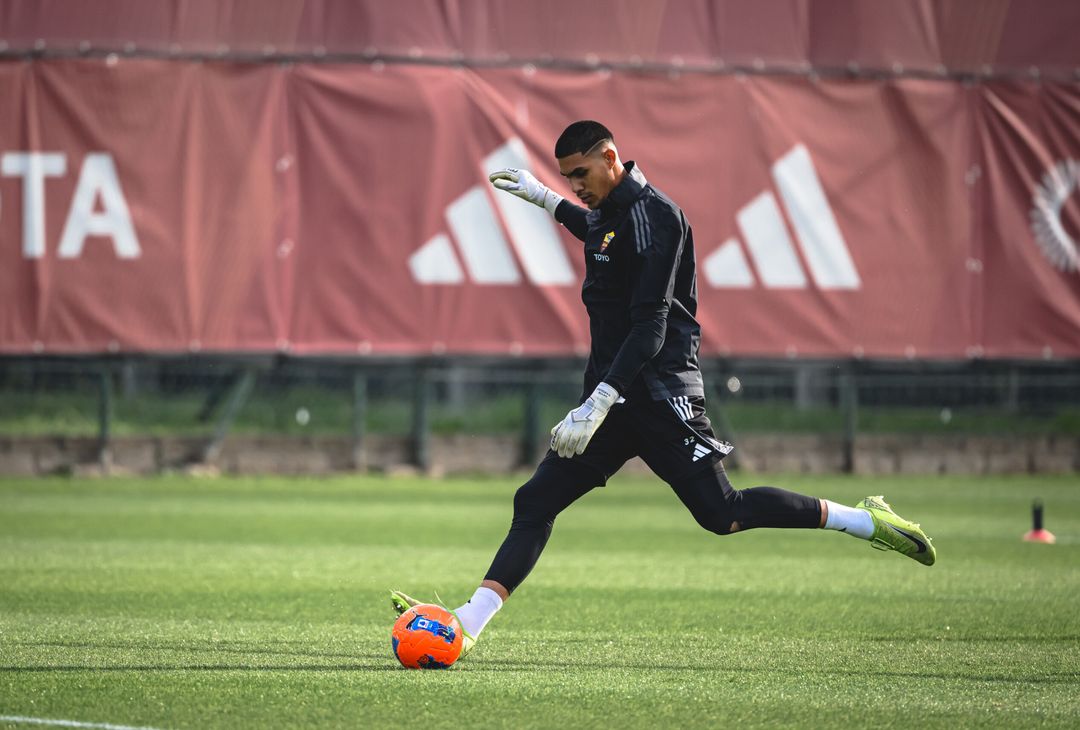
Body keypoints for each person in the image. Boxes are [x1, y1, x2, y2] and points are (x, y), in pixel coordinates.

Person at [391, 120, 935, 658]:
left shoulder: (659, 217)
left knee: (723, 514)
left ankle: (864, 520)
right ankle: (468, 623)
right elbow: (600, 236)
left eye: (581, 173)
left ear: (610, 158)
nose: (576, 185)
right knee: (536, 499)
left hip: (657, 392)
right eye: (566, 176)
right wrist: (545, 199)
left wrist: (598, 401)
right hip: (613, 394)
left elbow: (650, 327)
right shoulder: (611, 212)